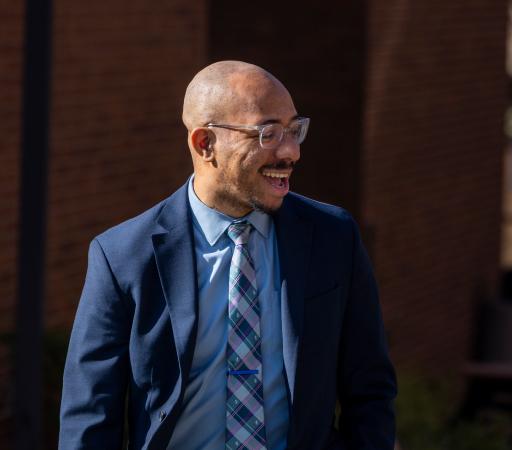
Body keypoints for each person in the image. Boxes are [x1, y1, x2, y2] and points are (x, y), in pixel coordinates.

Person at [58, 61, 397, 449]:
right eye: (267, 133)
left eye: (294, 130)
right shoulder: (123, 257)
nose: (291, 151)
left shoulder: (333, 237)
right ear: (205, 144)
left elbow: (370, 388)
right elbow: (90, 415)